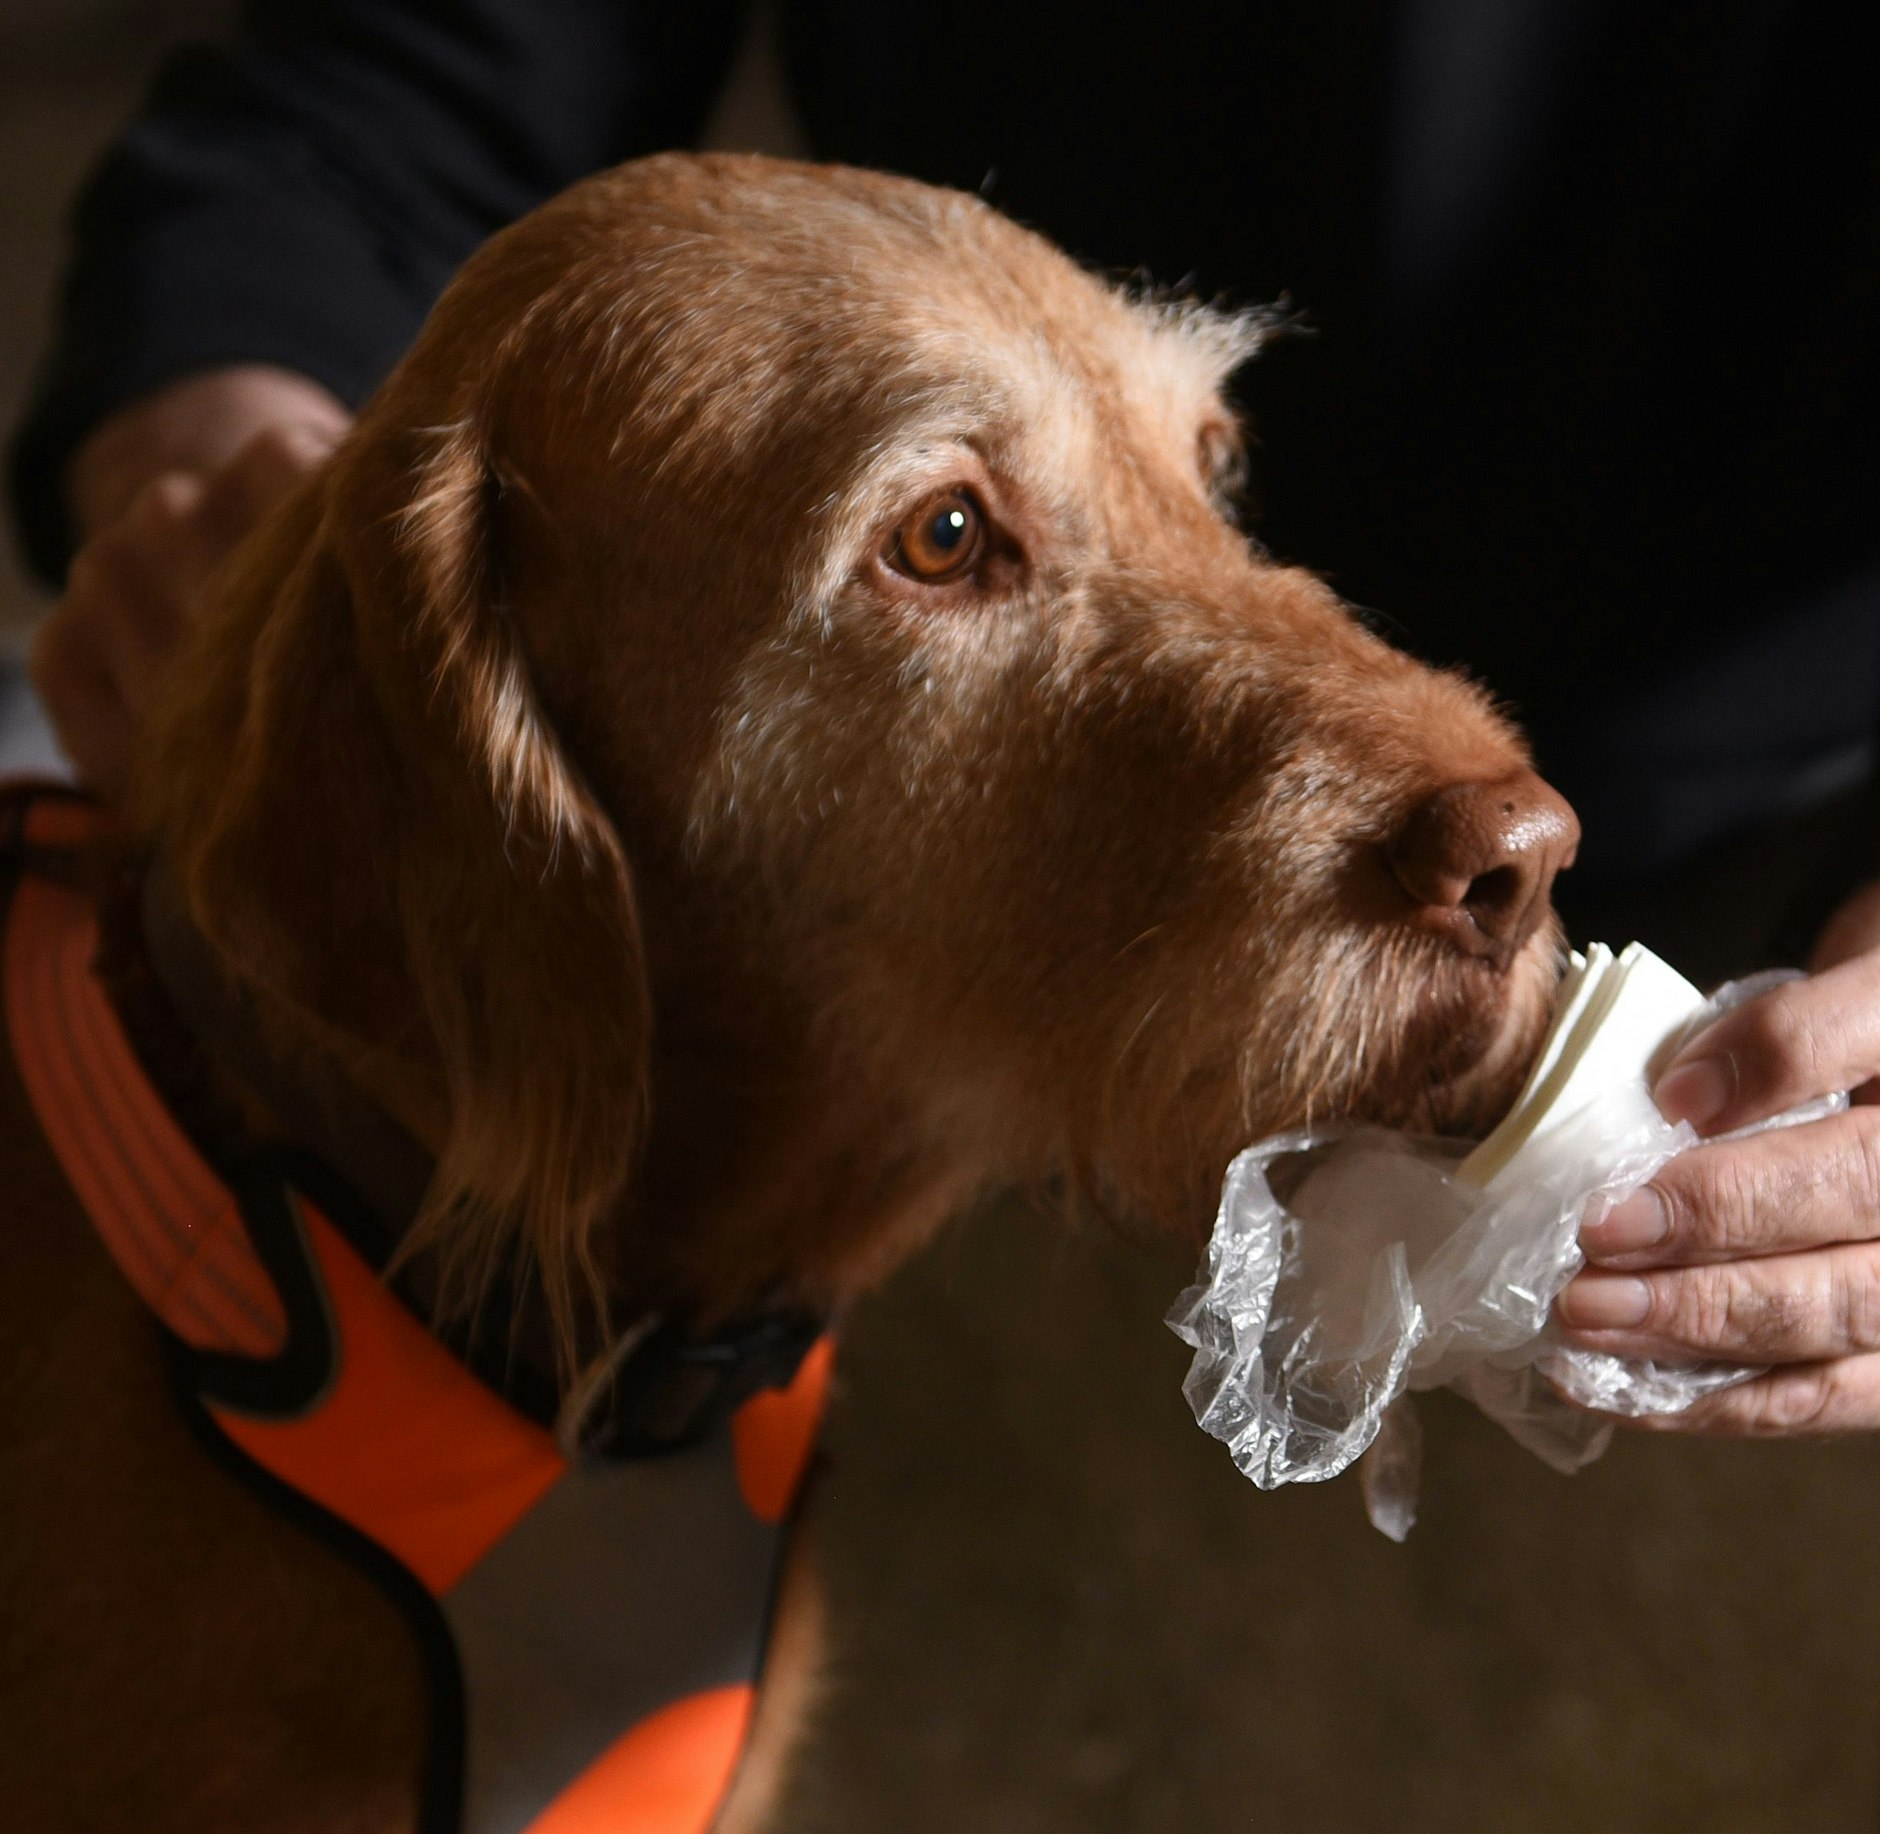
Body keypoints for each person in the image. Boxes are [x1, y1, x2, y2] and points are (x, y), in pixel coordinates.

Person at [11, 0, 1880, 1433]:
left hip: (1794, 850)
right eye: (948, 534)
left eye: (1197, 467)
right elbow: (380, 99)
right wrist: (227, 459)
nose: (1486, 809)